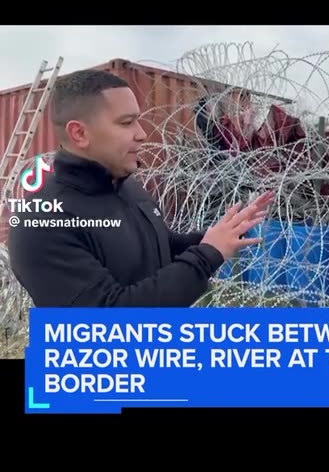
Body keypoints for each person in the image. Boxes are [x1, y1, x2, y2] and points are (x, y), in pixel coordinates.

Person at [7, 69, 273, 308]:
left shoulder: (127, 189)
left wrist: (221, 235)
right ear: (80, 134)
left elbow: (160, 247)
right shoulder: (43, 222)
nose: (141, 134)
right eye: (126, 122)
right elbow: (108, 322)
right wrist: (207, 255)